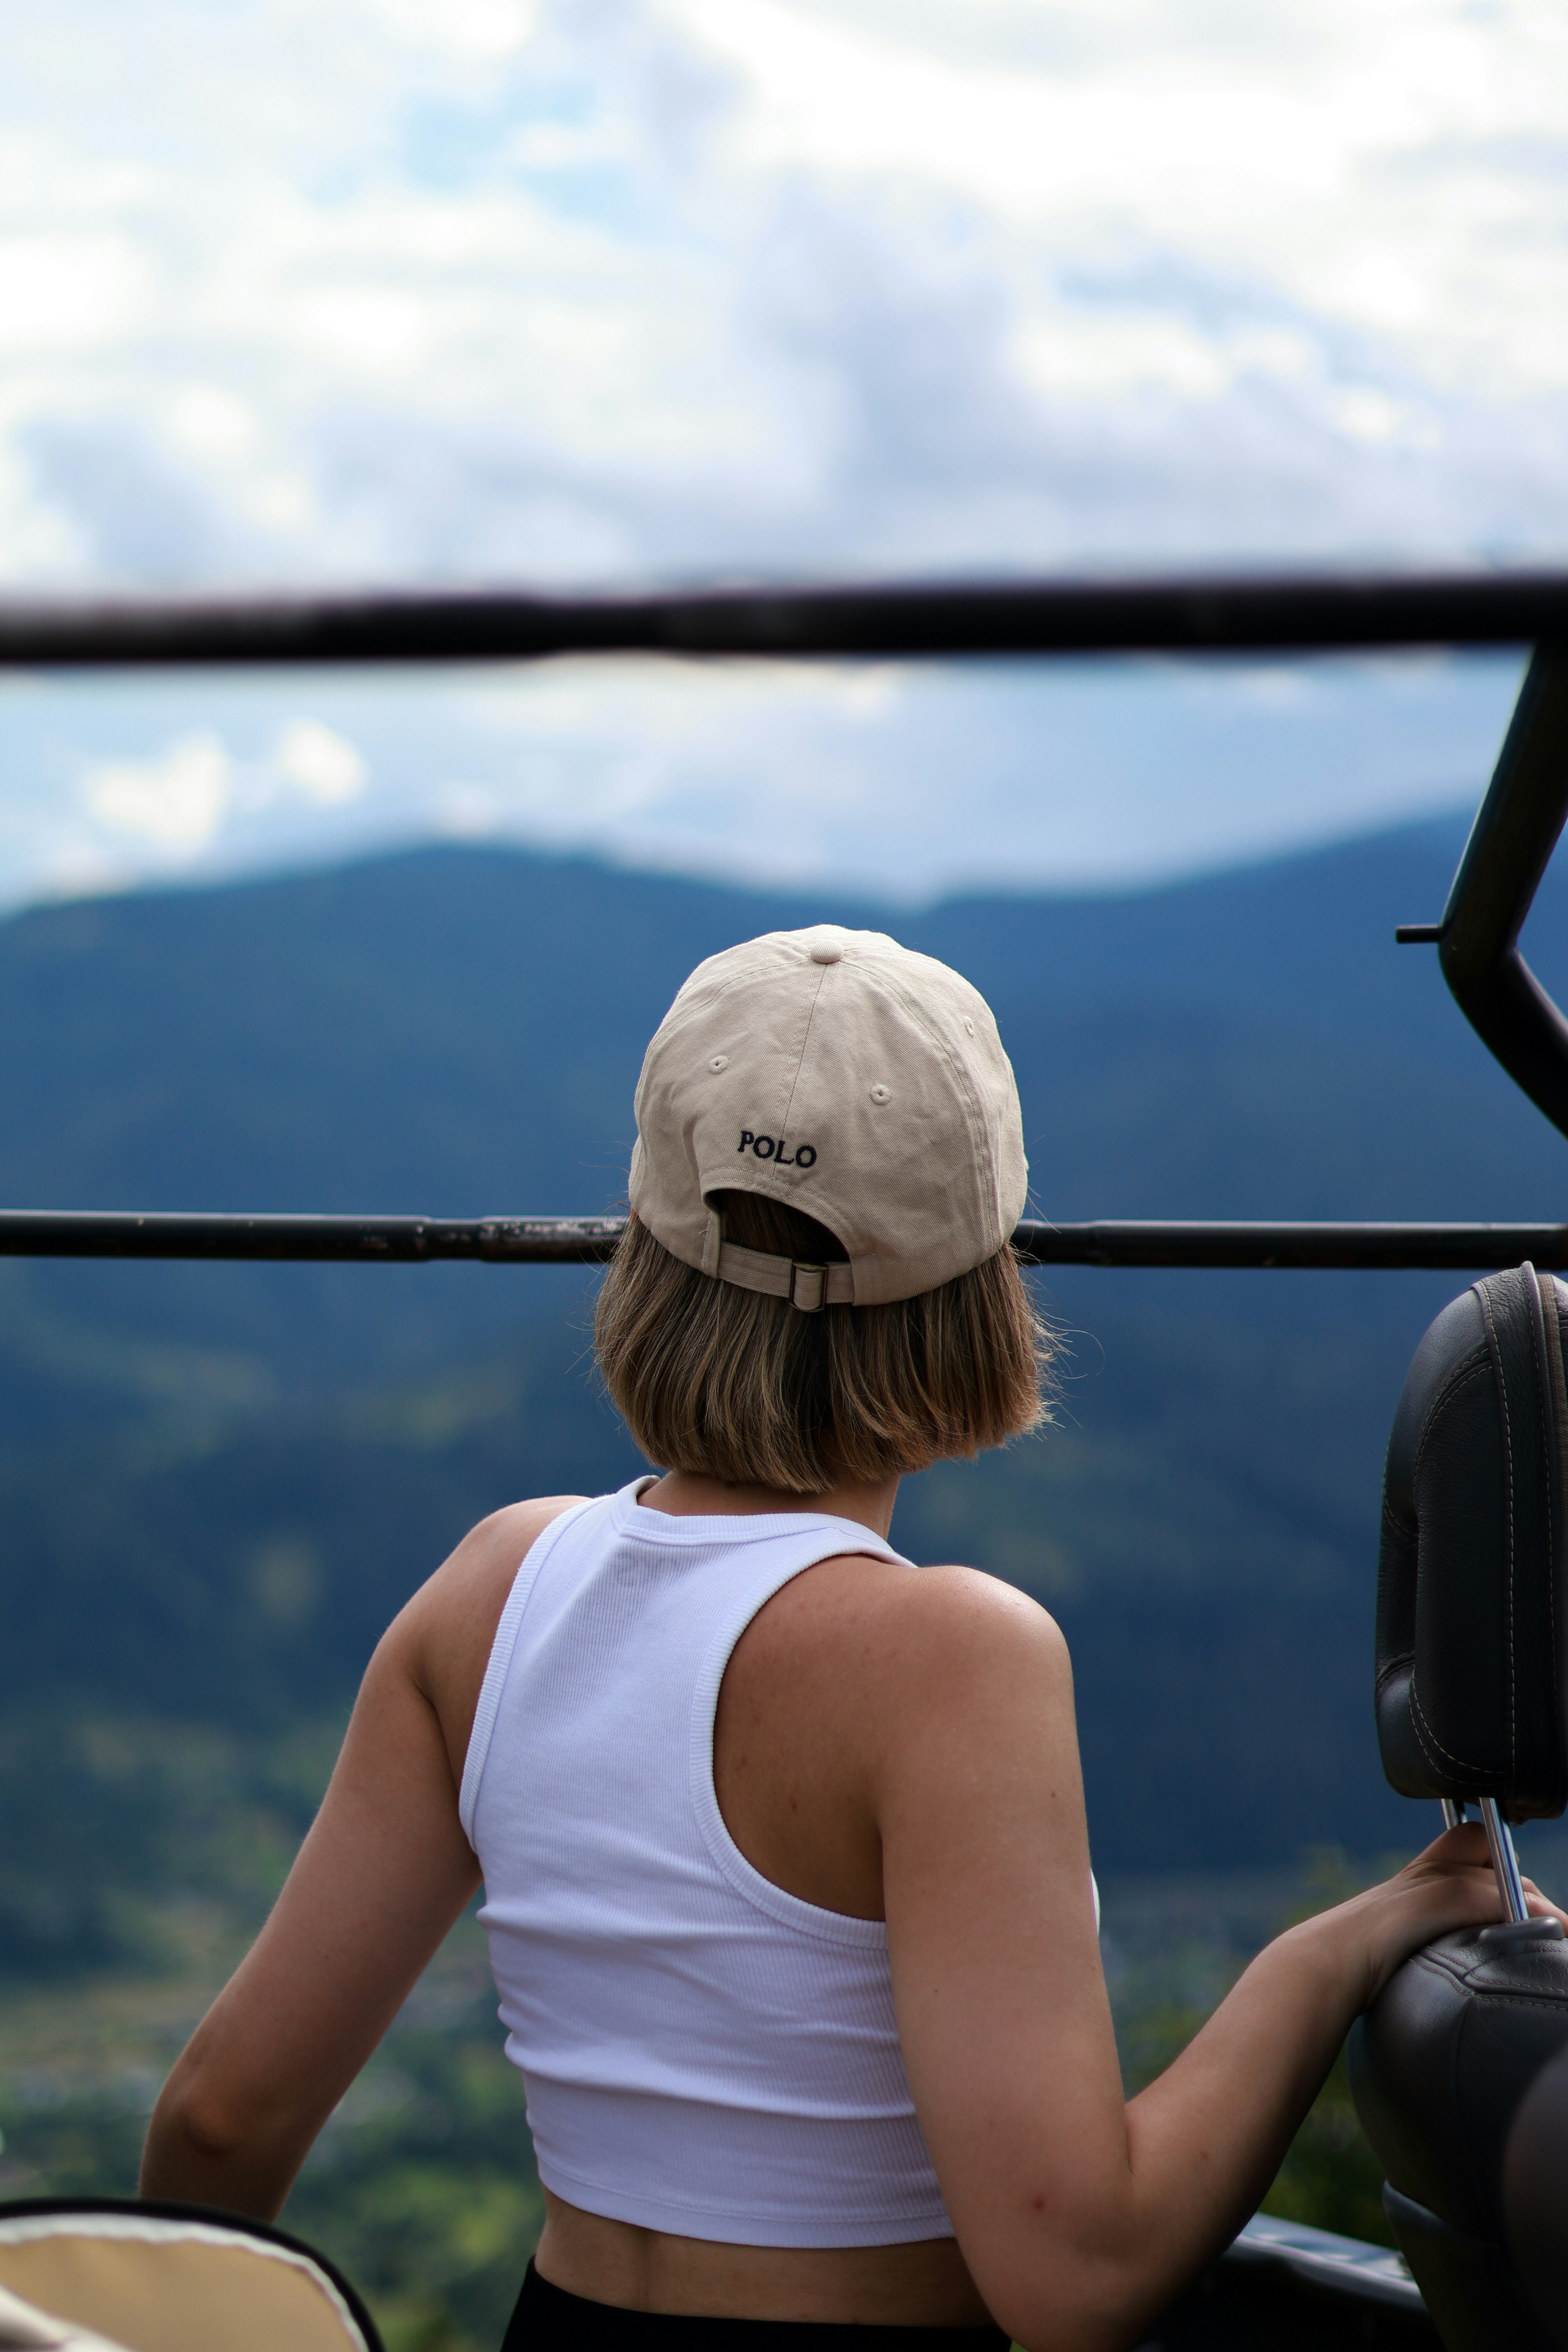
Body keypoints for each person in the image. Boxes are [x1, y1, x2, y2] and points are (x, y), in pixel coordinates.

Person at [140, 924, 1557, 2352]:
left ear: (645, 1250)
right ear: (979, 1288)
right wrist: (1340, 1951)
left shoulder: (489, 1588)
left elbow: (215, 2127)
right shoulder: (953, 1656)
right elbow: (1078, 2273)